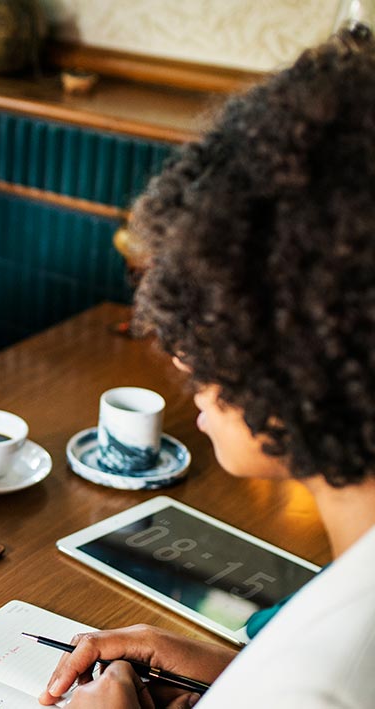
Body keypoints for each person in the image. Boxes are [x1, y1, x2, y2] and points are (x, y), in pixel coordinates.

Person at [37, 24, 375, 709]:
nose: (182, 355)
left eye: (207, 318)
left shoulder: (312, 684)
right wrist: (231, 670)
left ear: (304, 345)